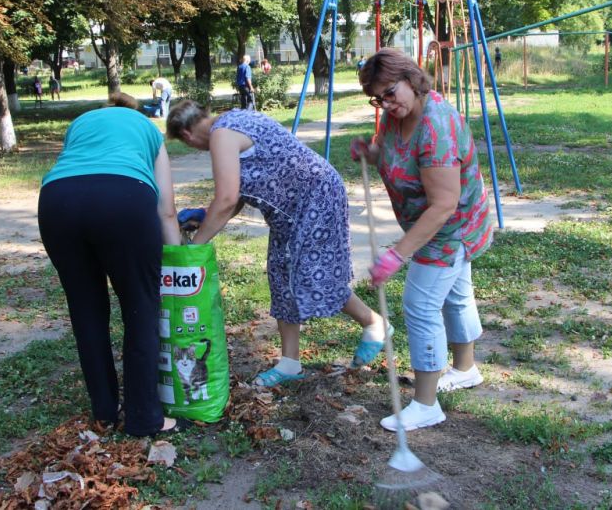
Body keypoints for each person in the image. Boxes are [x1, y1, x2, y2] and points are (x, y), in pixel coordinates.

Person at [166, 99, 389, 387]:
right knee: (281, 276)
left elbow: (227, 198)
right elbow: (239, 193)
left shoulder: (221, 136)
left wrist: (194, 248)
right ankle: (289, 363)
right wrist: (207, 217)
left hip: (314, 199)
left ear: (186, 136)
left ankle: (374, 323)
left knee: (310, 273)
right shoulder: (234, 119)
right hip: (295, 208)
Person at [350, 48, 492, 432]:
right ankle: (465, 369)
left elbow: (443, 205)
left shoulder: (436, 127)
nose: (385, 103)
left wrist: (397, 255)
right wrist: (372, 151)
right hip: (434, 225)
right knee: (456, 295)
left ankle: (426, 404)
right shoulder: (399, 116)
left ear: (411, 79)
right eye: (377, 99)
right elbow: (394, 153)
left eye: (390, 93)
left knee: (420, 304)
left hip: (450, 229)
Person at [37, 92, 182, 437]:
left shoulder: (80, 124)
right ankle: (146, 417)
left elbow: (76, 169)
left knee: (86, 309)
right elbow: (166, 209)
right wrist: (177, 260)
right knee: (140, 307)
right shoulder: (145, 126)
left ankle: (104, 412)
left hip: (57, 201)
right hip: (123, 198)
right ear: (131, 111)